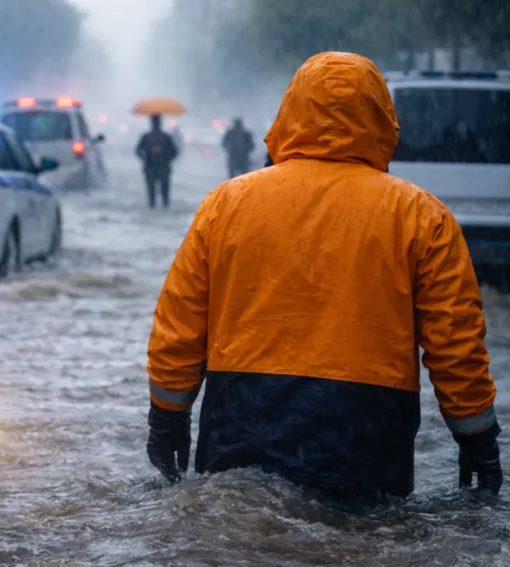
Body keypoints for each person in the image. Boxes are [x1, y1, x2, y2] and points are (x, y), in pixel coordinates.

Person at [145, 51, 501, 500]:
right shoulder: (421, 215)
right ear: (381, 117)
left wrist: (167, 419)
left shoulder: (226, 205)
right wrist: (477, 440)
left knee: (243, 524)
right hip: (366, 426)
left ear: (290, 111)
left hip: (241, 414)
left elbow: (180, 326)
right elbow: (455, 344)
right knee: (366, 534)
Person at [135, 116, 179, 208]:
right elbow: (138, 151)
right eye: (154, 123)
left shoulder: (166, 138)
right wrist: (146, 157)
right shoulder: (146, 137)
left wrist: (165, 156)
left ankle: (164, 207)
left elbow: (174, 152)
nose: (156, 125)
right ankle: (154, 206)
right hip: (150, 166)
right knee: (151, 192)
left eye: (157, 123)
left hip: (163, 166)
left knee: (164, 192)